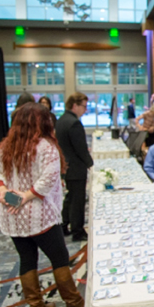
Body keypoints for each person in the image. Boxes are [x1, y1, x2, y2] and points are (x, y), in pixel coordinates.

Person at [0, 102, 84, 307]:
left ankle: (36, 306)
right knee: (59, 258)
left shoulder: (7, 145)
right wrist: (23, 197)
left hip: (13, 215)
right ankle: (74, 302)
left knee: (27, 259)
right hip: (40, 214)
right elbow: (48, 180)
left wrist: (7, 194)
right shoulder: (46, 146)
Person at [56, 92, 93, 242]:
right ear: (74, 105)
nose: (85, 110)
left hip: (66, 165)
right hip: (76, 167)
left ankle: (63, 226)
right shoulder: (74, 123)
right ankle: (78, 231)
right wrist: (91, 164)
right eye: (83, 106)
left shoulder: (61, 120)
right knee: (77, 200)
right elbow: (81, 148)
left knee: (70, 198)